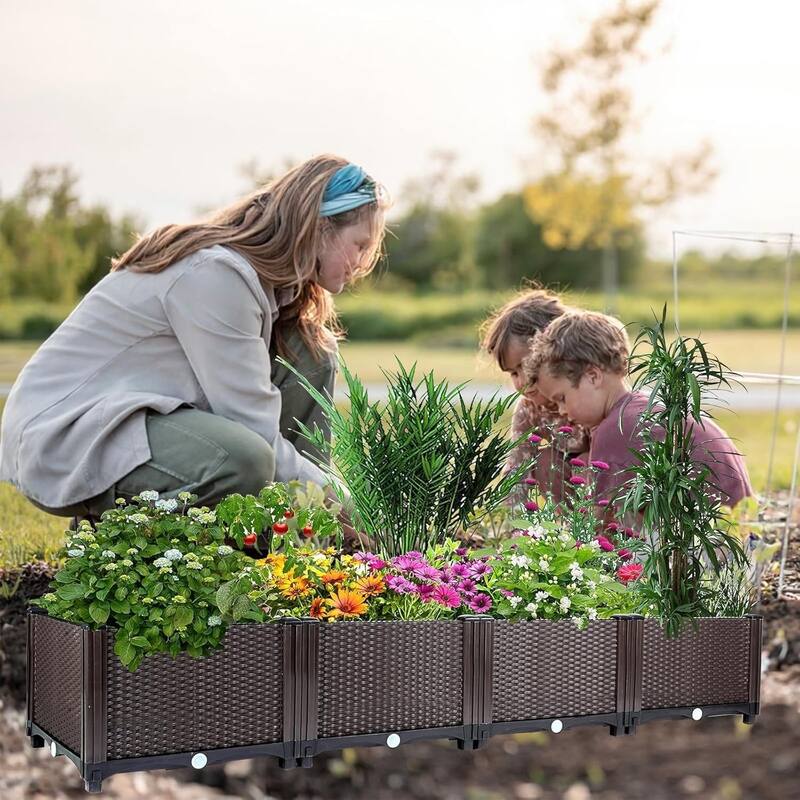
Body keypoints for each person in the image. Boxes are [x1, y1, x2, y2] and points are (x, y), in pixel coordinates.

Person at [0, 155, 388, 524]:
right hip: (67, 435)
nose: (363, 262)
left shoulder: (264, 289)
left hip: (136, 419)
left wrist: (330, 509)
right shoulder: (216, 276)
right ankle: (118, 539)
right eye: (360, 245)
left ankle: (305, 536)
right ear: (321, 230)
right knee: (245, 458)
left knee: (311, 351)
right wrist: (351, 506)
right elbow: (256, 433)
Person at [527, 310, 753, 510]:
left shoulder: (616, 430)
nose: (561, 411)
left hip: (710, 544)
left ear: (592, 376)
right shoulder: (640, 407)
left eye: (562, 398)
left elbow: (605, 526)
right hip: (738, 531)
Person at [479, 287, 590, 506]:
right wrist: (506, 525)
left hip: (609, 488)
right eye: (513, 373)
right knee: (545, 461)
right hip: (571, 496)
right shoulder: (530, 409)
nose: (521, 381)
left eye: (525, 365)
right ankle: (573, 534)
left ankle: (603, 535)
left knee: (587, 462)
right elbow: (516, 468)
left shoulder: (585, 393)